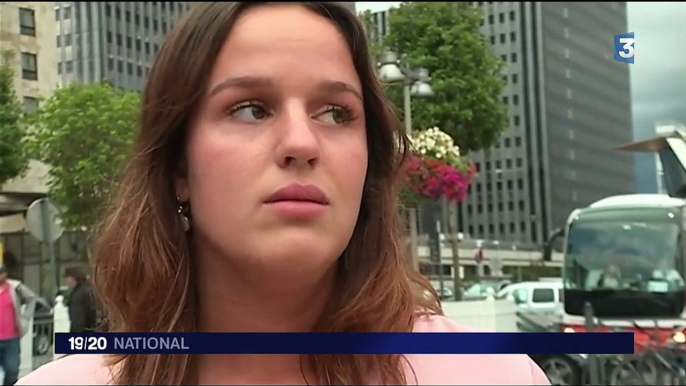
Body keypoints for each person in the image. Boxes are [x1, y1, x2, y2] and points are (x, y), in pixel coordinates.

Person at [17, 3, 549, 385]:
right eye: (250, 108)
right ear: (179, 166)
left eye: (336, 113)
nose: (301, 142)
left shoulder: (491, 372)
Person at [0, 265, 36, 385]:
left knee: (12, 370)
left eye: (2, 273)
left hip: (11, 339)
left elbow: (31, 298)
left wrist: (25, 317)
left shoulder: (15, 287)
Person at [64, 267, 98, 333]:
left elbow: (78, 321)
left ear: (74, 278)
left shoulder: (78, 296)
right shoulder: (88, 290)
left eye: (68, 278)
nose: (67, 282)